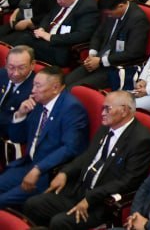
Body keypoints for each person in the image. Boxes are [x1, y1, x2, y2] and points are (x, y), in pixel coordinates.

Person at [21, 89, 150, 230]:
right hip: (79, 190)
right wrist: (65, 172)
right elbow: (88, 155)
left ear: (124, 111)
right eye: (102, 108)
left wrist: (90, 198)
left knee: (59, 222)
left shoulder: (141, 140)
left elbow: (127, 182)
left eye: (107, 109)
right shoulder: (107, 126)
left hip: (100, 202)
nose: (102, 113)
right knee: (32, 205)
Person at [0, 68, 89, 209]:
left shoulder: (71, 109)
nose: (32, 90)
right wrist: (20, 115)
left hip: (47, 173)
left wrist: (38, 169)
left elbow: (69, 148)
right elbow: (17, 138)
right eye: (33, 85)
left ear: (55, 88)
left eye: (38, 86)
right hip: (27, 165)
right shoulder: (38, 103)